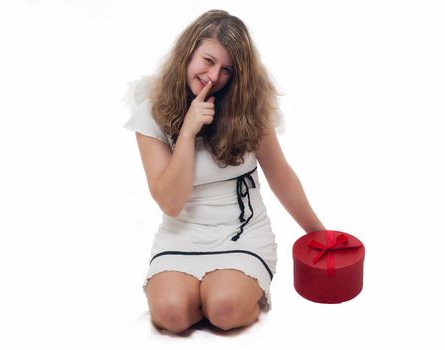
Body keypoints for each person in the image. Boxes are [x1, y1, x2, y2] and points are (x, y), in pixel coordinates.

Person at [123, 9, 325, 334]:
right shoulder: (151, 104)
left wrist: (317, 233)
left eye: (227, 70)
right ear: (188, 52)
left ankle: (225, 288)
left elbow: (279, 174)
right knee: (171, 315)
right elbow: (170, 203)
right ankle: (198, 292)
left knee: (225, 309)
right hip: (181, 234)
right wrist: (187, 132)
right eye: (208, 60)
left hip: (242, 233)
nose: (214, 76)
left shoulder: (248, 104)